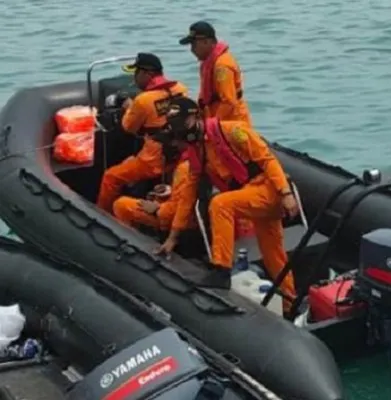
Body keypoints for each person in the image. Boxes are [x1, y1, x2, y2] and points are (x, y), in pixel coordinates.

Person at [154, 96, 298, 312]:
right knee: (273, 256)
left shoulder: (233, 131)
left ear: (195, 117)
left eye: (182, 124)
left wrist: (285, 192)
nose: (180, 131)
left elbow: (267, 160)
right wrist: (173, 237)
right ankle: (290, 304)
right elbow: (187, 197)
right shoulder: (196, 154)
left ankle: (221, 270)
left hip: (267, 190)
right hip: (251, 197)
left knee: (220, 204)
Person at [96, 52, 188, 213]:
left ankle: (102, 215)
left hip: (153, 161)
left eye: (136, 73)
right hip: (178, 156)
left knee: (110, 177)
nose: (134, 78)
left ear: (146, 74)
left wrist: (128, 106)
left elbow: (128, 128)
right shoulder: (180, 89)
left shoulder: (143, 100)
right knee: (129, 163)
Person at [178, 21, 253, 126]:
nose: (192, 50)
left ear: (207, 42)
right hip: (215, 117)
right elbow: (204, 96)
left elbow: (228, 102)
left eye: (194, 44)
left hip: (232, 123)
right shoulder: (207, 63)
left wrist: (211, 126)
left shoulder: (222, 66)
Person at [111, 160, 197, 233]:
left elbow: (179, 211)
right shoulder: (190, 164)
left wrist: (157, 209)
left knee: (121, 205)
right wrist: (166, 192)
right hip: (172, 212)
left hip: (178, 223)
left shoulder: (185, 169)